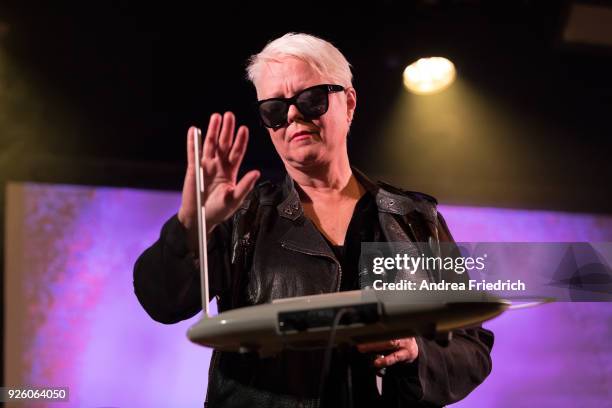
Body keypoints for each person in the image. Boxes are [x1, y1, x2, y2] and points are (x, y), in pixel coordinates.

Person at [133, 32, 494, 408]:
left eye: (310, 99)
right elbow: (163, 303)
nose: (292, 114)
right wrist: (191, 225)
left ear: (349, 102)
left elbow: (471, 349)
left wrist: (417, 353)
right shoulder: (241, 217)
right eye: (274, 108)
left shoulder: (416, 218)